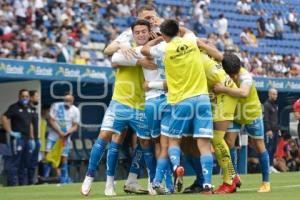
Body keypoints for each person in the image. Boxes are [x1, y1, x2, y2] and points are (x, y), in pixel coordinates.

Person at [81, 20, 156, 197]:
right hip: (120, 102)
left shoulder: (153, 50)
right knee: (105, 136)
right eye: (137, 32)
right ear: (133, 34)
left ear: (148, 32)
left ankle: (153, 182)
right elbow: (114, 60)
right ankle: (90, 177)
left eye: (143, 32)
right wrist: (139, 61)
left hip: (142, 105)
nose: (140, 35)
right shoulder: (126, 46)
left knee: (146, 143)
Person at [141, 19, 214, 194]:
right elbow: (187, 30)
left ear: (164, 35)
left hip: (181, 100)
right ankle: (208, 184)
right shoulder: (190, 40)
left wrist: (158, 38)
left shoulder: (164, 48)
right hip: (203, 99)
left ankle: (176, 167)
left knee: (172, 141)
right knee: (203, 145)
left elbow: (144, 50)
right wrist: (175, 28)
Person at [181, 39, 240, 194]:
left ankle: (229, 180)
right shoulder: (201, 52)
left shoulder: (193, 57)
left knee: (217, 139)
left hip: (225, 96)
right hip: (222, 95)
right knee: (216, 138)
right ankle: (233, 175)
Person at [214, 53, 271, 193]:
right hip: (235, 114)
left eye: (234, 75)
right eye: (230, 75)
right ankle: (234, 177)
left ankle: (266, 182)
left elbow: (244, 93)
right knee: (228, 142)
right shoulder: (224, 68)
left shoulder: (246, 77)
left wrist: (223, 89)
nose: (232, 78)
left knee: (259, 145)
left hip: (251, 113)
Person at [43, 92, 80, 184]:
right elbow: (51, 120)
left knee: (63, 157)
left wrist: (67, 133)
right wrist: (59, 132)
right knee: (48, 156)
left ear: (72, 101)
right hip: (53, 137)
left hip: (65, 138)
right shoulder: (56, 106)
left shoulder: (75, 110)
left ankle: (64, 180)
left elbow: (75, 126)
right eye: (66, 100)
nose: (67, 102)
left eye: (69, 100)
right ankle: (44, 179)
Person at [1, 89, 35, 186]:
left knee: (25, 162)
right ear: (19, 97)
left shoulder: (29, 108)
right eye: (23, 96)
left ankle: (22, 184)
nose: (25, 98)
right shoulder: (14, 107)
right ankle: (12, 184)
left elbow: (30, 124)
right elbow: (4, 118)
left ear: (29, 98)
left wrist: (32, 138)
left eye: (26, 96)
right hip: (17, 139)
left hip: (27, 138)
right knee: (15, 161)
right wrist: (10, 131)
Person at [263, 88, 280, 173]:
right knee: (268, 148)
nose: (275, 96)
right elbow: (265, 119)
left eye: (276, 94)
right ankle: (267, 167)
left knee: (273, 148)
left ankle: (271, 166)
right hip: (269, 131)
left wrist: (278, 128)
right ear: (269, 94)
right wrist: (268, 129)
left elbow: (275, 119)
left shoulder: (275, 106)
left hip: (275, 130)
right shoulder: (266, 105)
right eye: (273, 94)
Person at [27, 90, 40, 184]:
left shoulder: (34, 109)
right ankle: (27, 181)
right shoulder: (27, 109)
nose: (38, 98)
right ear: (31, 97)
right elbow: (29, 124)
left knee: (34, 162)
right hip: (30, 139)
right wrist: (32, 138)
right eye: (36, 96)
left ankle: (32, 181)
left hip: (36, 139)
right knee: (28, 161)